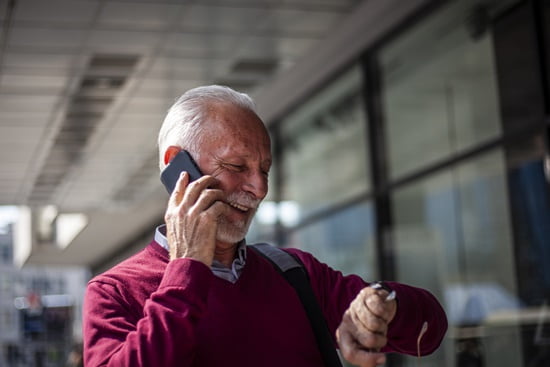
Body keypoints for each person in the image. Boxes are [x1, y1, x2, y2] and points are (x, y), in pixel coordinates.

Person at [83, 85, 447, 367]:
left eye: (265, 170)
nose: (259, 188)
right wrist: (187, 269)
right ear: (178, 165)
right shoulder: (115, 291)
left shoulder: (294, 273)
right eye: (238, 167)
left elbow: (431, 329)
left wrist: (383, 305)